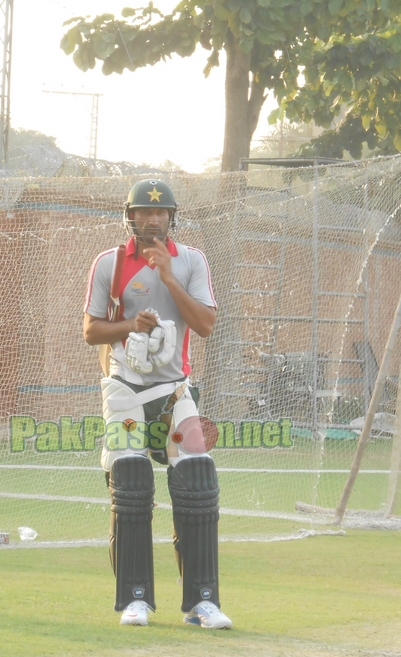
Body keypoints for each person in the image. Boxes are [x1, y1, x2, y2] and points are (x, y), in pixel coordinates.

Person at [83, 179, 231, 629]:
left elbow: (205, 324)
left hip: (174, 391)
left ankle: (202, 602)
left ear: (172, 218)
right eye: (144, 213)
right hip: (125, 387)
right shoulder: (109, 263)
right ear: (130, 216)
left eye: (161, 213)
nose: (152, 220)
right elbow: (90, 330)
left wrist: (168, 276)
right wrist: (130, 325)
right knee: (129, 474)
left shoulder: (191, 261)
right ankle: (136, 600)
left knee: (197, 474)